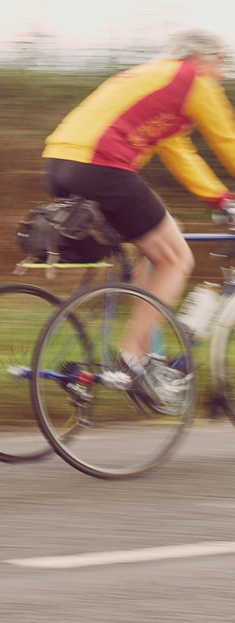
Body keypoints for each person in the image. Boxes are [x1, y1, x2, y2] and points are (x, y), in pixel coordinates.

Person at [43, 27, 235, 409]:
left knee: (164, 238)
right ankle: (134, 357)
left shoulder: (155, 81)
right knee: (178, 258)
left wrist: (222, 199)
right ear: (199, 57)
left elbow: (180, 152)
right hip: (102, 165)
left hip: (57, 163)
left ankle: (131, 349)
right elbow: (227, 140)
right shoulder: (192, 79)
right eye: (221, 62)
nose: (224, 72)